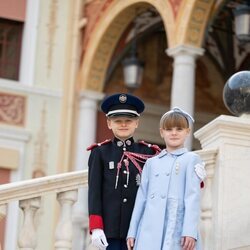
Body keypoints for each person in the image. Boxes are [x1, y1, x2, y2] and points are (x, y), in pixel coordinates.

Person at [87, 93, 161, 250]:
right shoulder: (100, 153)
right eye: (117, 121)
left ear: (137, 123)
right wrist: (96, 227)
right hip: (109, 230)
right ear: (109, 123)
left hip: (137, 229)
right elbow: (94, 192)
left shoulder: (147, 153)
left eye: (128, 120)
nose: (123, 124)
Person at [127, 107, 206, 250]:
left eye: (179, 129)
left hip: (176, 226)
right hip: (149, 228)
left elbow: (192, 198)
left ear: (187, 132)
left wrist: (189, 231)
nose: (174, 133)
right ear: (161, 132)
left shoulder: (192, 159)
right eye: (169, 129)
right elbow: (141, 198)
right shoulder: (152, 163)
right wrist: (132, 232)